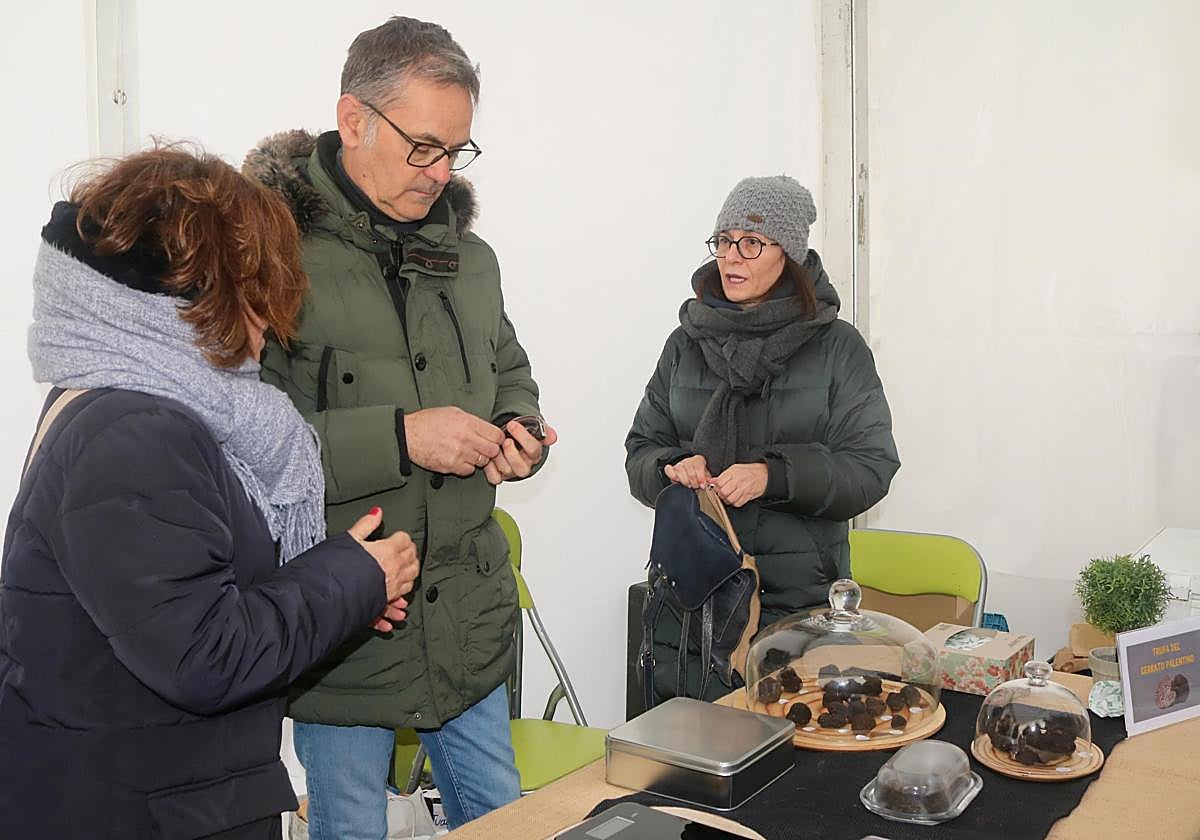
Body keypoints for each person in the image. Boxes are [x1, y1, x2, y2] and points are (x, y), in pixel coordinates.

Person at [0, 147, 422, 839]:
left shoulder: (137, 405)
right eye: (254, 288)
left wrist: (348, 589)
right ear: (195, 292)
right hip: (138, 812)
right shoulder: (134, 432)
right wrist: (352, 577)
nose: (269, 320)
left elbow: (194, 600)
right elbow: (205, 657)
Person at [242, 16, 555, 835]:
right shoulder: (269, 258)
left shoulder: (471, 259)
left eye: (457, 149)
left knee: (501, 821)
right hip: (348, 619)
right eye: (423, 147)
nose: (441, 171)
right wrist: (402, 437)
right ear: (353, 121)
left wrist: (517, 428)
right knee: (350, 825)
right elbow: (241, 448)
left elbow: (509, 369)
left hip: (465, 616)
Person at [625, 175, 900, 704]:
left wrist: (773, 476)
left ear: (789, 254)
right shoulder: (685, 344)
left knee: (789, 750)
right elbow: (641, 450)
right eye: (724, 241)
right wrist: (672, 466)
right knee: (692, 747)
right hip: (693, 602)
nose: (732, 257)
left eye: (751, 243)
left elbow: (871, 467)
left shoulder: (837, 349)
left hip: (797, 611)